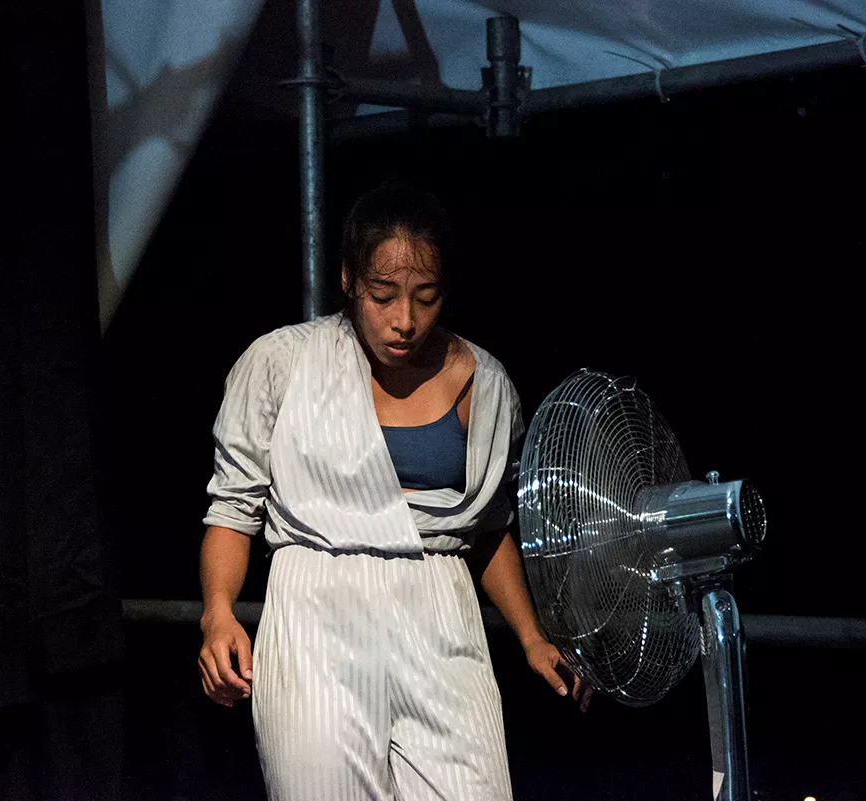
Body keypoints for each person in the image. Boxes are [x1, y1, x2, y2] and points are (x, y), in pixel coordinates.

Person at [197, 183, 589, 801]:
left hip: (440, 612)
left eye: (425, 297)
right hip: (317, 609)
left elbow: (488, 529)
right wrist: (218, 613)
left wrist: (531, 636)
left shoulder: (485, 384)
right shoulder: (281, 363)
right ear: (350, 280)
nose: (404, 319)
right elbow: (233, 508)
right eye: (383, 295)